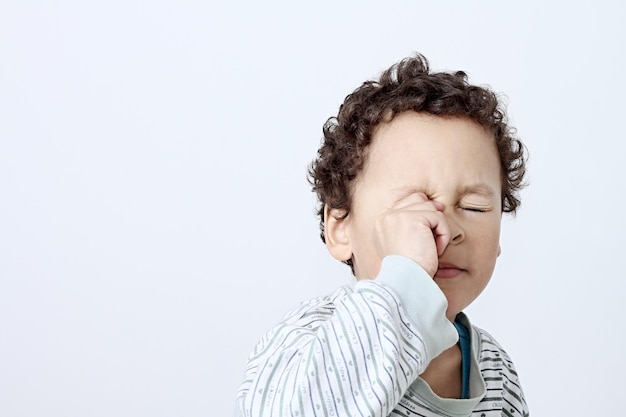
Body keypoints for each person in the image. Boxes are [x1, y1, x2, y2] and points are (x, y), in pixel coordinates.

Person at [235, 53, 529, 417]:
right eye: (413, 205)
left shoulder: (496, 370)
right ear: (340, 227)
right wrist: (405, 282)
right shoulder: (308, 339)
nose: (448, 230)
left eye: (474, 208)